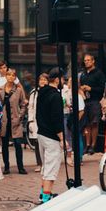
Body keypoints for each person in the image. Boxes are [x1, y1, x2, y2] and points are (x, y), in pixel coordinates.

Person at [36, 69, 66, 202]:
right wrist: (62, 138)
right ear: (57, 79)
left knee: (45, 166)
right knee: (51, 168)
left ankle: (43, 193)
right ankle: (46, 198)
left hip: (41, 133)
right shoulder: (55, 96)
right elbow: (56, 119)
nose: (64, 81)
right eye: (63, 79)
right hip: (51, 136)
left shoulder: (41, 92)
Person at [0, 68, 28, 174]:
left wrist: (20, 116)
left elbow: (23, 104)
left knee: (17, 144)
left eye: (13, 75)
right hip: (4, 121)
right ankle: (6, 167)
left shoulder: (19, 90)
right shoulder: (0, 90)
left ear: (15, 77)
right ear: (6, 76)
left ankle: (20, 167)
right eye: (9, 75)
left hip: (16, 120)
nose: (11, 77)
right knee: (5, 144)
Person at [79, 54, 106, 156]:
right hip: (86, 100)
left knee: (94, 123)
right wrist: (82, 89)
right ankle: (87, 144)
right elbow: (80, 86)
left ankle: (93, 146)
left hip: (95, 100)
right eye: (85, 60)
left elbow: (103, 88)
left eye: (88, 60)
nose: (86, 62)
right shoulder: (83, 74)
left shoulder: (99, 73)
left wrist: (91, 89)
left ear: (93, 61)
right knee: (86, 124)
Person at [26, 75, 46, 172]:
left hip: (47, 120)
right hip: (36, 121)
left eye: (44, 79)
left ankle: (46, 163)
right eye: (41, 79)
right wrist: (30, 121)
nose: (43, 81)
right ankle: (39, 163)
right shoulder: (34, 93)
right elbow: (30, 107)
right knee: (37, 143)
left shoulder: (51, 92)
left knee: (46, 142)